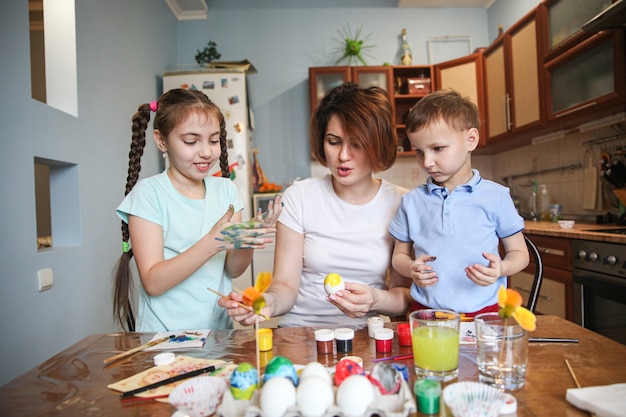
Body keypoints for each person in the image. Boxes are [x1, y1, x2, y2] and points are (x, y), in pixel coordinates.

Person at [219, 83, 412, 328]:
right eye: (334, 141)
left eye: (357, 143)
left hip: (367, 335)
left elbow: (405, 297)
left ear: (377, 143)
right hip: (301, 331)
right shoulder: (300, 197)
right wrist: (264, 303)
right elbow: (285, 287)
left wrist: (375, 299)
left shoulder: (402, 203)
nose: (343, 155)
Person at [113, 88, 280, 332]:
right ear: (161, 140)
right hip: (164, 342)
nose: (206, 151)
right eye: (191, 141)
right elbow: (153, 282)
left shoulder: (226, 191)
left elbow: (233, 269)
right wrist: (213, 242)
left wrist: (248, 239)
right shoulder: (148, 194)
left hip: (218, 336)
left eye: (213, 140)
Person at [389, 89, 529, 317]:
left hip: (485, 313)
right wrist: (410, 268)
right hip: (426, 313)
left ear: (470, 139)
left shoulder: (497, 196)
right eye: (419, 151)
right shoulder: (411, 201)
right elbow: (399, 256)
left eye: (437, 149)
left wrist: (501, 269)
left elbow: (520, 254)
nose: (427, 161)